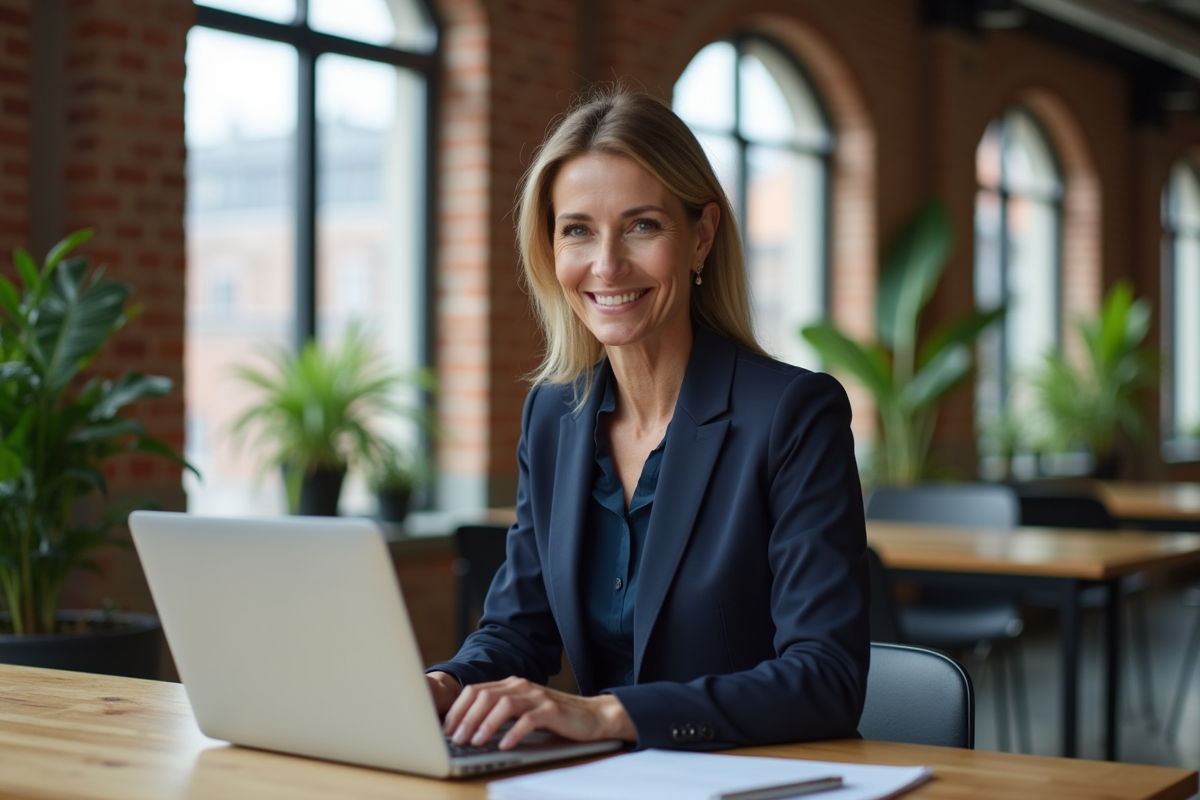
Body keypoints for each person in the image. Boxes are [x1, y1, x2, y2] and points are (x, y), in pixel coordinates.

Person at [425, 87, 869, 752]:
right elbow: (519, 631)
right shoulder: (552, 416)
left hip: (750, 777)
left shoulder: (793, 416)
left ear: (701, 237)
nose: (606, 265)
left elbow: (825, 679)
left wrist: (608, 716)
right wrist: (444, 684)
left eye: (642, 226)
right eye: (577, 230)